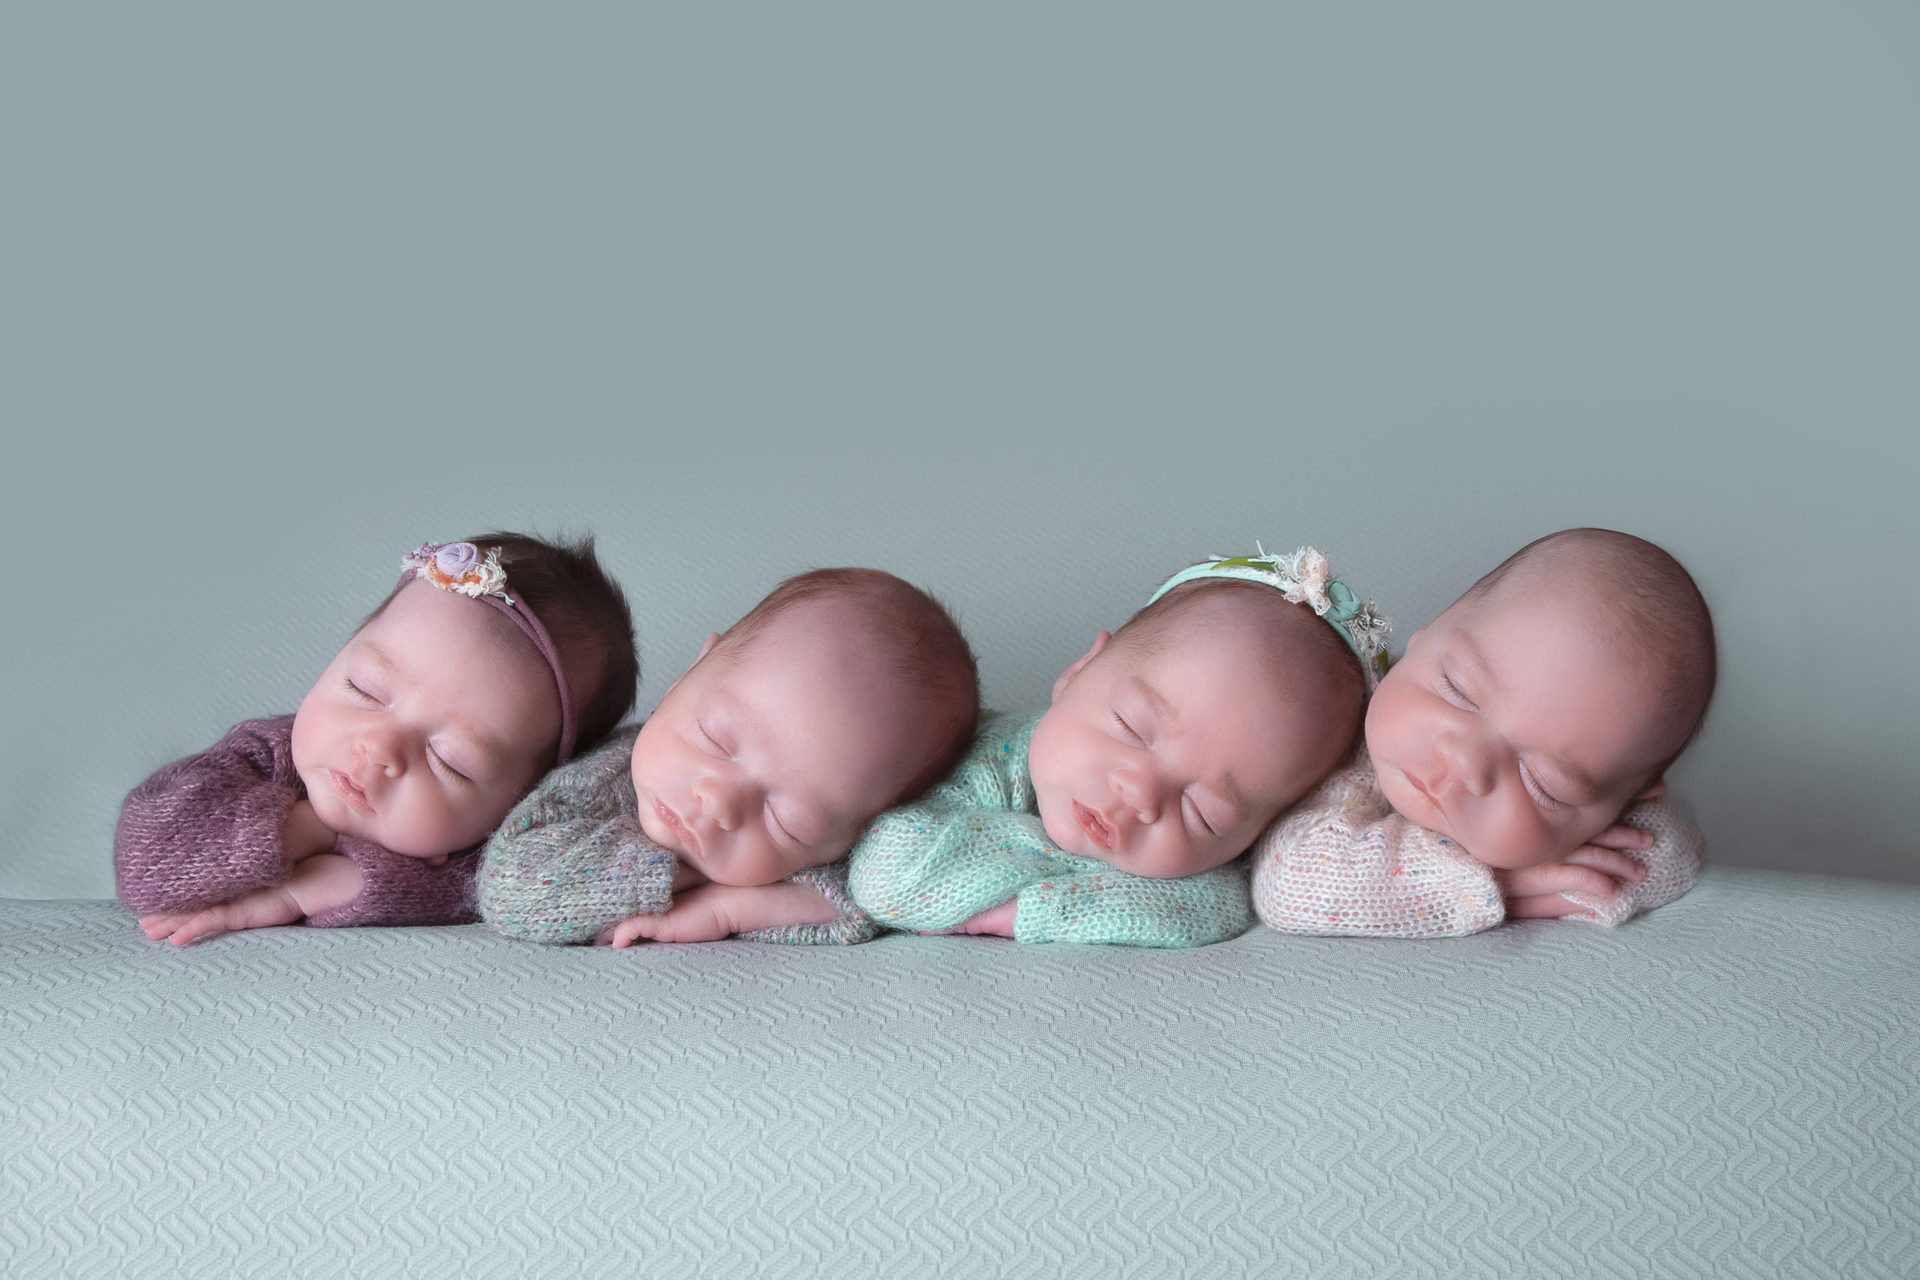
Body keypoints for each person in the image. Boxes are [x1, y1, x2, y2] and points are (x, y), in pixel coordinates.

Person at [849, 546, 1385, 947]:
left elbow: (1218, 905)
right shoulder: (994, 761)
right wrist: (1069, 872)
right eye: (1130, 727)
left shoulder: (1197, 870)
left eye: (1204, 812)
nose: (1141, 795)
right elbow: (884, 875)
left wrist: (1035, 910)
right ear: (1079, 672)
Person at [116, 534, 637, 945]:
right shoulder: (263, 755)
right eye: (364, 689)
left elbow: (486, 890)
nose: (381, 750)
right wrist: (301, 831)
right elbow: (144, 866)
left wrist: (309, 891)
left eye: (449, 761)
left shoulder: (507, 850)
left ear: (516, 800)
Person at [476, 568, 979, 946]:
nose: (718, 803)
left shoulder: (835, 848)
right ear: (689, 674)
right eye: (715, 740)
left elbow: (869, 899)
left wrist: (731, 908)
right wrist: (672, 872)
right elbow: (515, 892)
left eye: (788, 820)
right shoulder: (609, 779)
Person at [1251, 528, 1712, 937]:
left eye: (1543, 782)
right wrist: (1494, 885)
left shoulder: (1614, 803)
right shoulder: (1352, 753)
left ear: (1627, 803)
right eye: (1459, 692)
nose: (1466, 762)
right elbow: (1290, 882)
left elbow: (1669, 854)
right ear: (1423, 637)